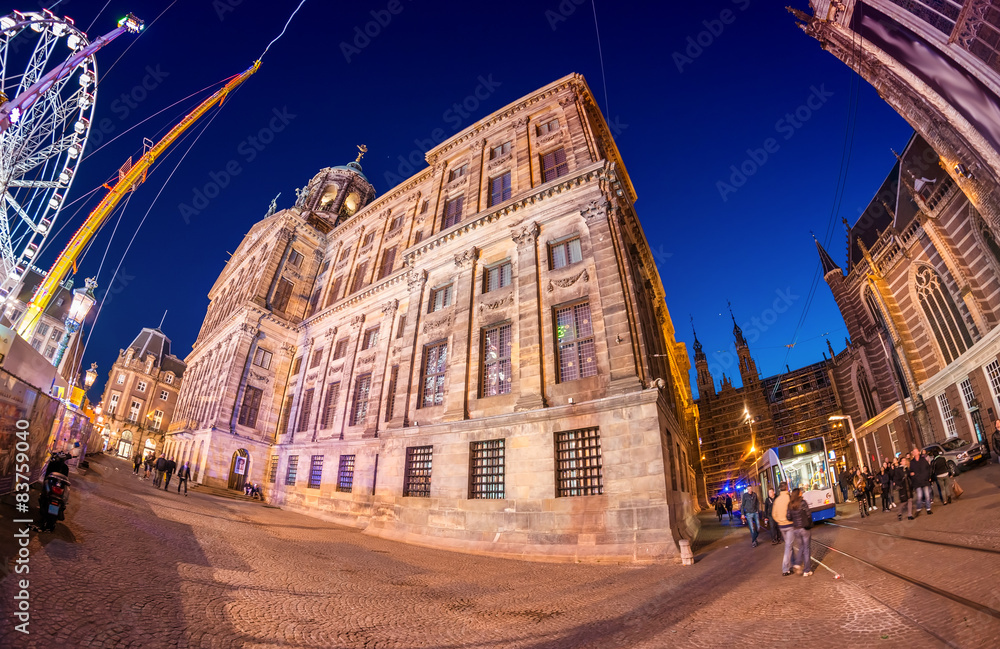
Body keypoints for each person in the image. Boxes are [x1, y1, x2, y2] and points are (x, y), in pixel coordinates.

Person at [787, 487, 813, 576]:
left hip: (796, 529)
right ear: (798, 494)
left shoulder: (790, 504)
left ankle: (797, 564)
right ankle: (807, 570)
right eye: (801, 492)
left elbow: (788, 517)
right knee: (806, 549)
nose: (802, 493)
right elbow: (808, 514)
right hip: (804, 528)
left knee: (801, 547)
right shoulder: (803, 502)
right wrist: (809, 523)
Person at [772, 482, 795, 576]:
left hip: (781, 526)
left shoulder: (776, 500)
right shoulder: (789, 498)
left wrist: (780, 521)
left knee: (789, 545)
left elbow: (774, 514)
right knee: (788, 547)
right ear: (787, 488)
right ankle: (785, 569)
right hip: (790, 525)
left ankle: (793, 564)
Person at [909, 447, 933, 516]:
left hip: (924, 481)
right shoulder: (912, 462)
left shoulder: (923, 460)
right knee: (919, 496)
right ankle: (918, 509)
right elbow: (911, 472)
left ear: (918, 452)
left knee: (927, 495)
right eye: (914, 452)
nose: (915, 453)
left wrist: (929, 477)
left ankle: (928, 509)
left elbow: (928, 468)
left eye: (916, 451)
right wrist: (912, 475)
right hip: (917, 482)